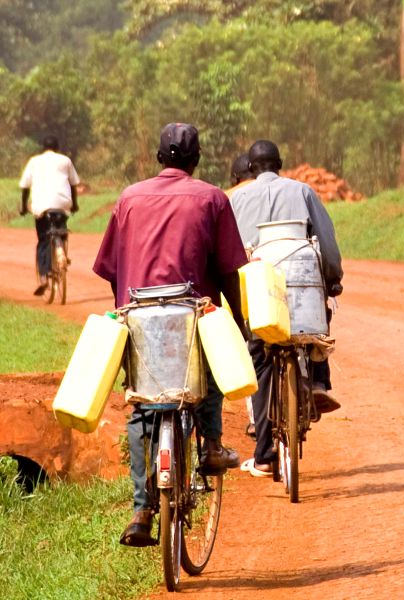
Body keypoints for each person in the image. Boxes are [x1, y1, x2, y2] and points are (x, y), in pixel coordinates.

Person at [93, 123, 249, 546]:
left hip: (138, 314)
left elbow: (111, 269)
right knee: (211, 371)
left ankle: (142, 510)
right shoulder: (212, 198)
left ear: (159, 158)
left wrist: (126, 310)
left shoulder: (128, 198)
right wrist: (238, 321)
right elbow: (230, 270)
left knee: (142, 408)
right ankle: (212, 445)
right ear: (196, 159)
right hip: (191, 313)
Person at [229, 139, 343, 475]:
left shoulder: (238, 199)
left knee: (260, 359)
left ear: (250, 169)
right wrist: (332, 277)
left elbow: (229, 250)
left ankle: (264, 455)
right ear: (280, 164)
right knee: (317, 318)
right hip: (300, 281)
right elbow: (326, 241)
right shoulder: (303, 191)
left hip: (260, 289)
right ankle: (319, 381)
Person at [18, 135, 81, 295]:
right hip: (62, 206)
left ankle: (45, 277)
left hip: (42, 207)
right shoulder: (65, 160)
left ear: (43, 149)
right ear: (57, 148)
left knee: (44, 240)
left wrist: (24, 206)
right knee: (61, 230)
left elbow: (25, 187)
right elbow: (73, 185)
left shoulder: (34, 161)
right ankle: (61, 250)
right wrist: (74, 204)